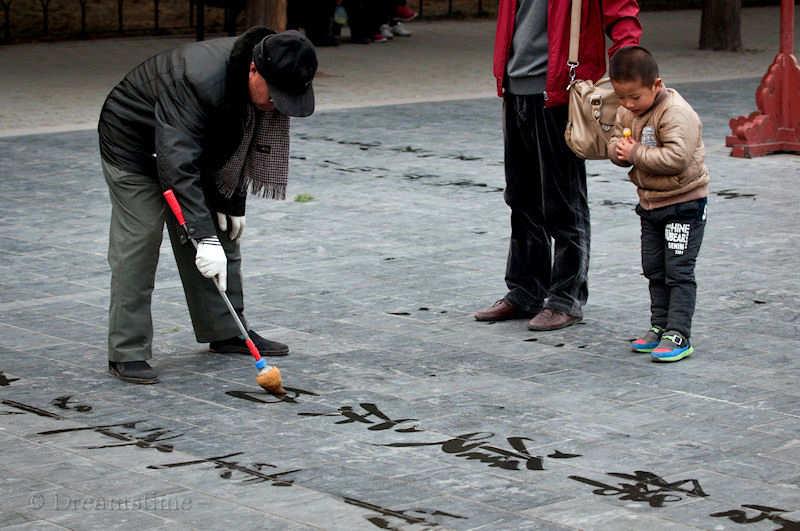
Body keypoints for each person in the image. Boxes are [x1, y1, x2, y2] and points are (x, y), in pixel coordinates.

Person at [98, 28, 318, 384]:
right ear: (253, 71)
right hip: (133, 144)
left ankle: (228, 331)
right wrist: (201, 235)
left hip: (190, 148)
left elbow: (235, 148)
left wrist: (232, 204)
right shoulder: (198, 80)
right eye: (276, 95)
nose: (277, 105)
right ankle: (128, 350)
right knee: (139, 241)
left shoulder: (265, 77)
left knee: (221, 231)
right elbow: (175, 165)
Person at [475, 0, 641, 331]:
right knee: (521, 198)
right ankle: (525, 290)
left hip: (561, 90)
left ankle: (566, 297)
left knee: (563, 199)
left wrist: (629, 65)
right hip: (515, 86)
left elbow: (622, 12)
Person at [607, 46, 709, 362]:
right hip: (650, 205)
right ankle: (660, 326)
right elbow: (614, 140)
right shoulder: (628, 110)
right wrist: (618, 152)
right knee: (654, 268)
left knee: (677, 270)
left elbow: (677, 159)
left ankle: (679, 333)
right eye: (621, 97)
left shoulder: (675, 112)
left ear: (656, 84)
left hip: (683, 204)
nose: (627, 104)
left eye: (635, 97)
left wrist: (635, 153)